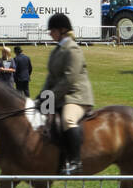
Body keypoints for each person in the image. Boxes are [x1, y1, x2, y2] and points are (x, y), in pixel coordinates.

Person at [40, 12, 95, 175]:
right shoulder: (57, 50)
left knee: (68, 119)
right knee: (40, 117)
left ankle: (75, 162)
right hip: (60, 96)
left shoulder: (73, 49)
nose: (50, 33)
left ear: (62, 30)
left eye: (52, 30)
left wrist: (50, 96)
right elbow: (50, 78)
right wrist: (41, 98)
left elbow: (69, 79)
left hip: (76, 96)